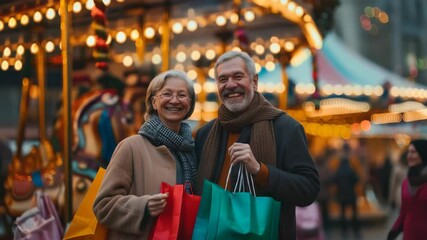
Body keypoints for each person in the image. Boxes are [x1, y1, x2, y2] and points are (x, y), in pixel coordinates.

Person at [194, 51, 320, 240]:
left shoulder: (285, 128)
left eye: (238, 76)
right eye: (222, 79)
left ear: (254, 81)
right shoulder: (205, 134)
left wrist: (260, 171)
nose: (230, 85)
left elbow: (308, 189)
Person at [93, 70, 197, 239]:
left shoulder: (190, 150)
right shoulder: (131, 147)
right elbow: (103, 206)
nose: (174, 100)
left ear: (189, 104)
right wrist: (143, 206)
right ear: (154, 102)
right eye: (167, 94)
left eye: (182, 95)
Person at [387, 139, 427, 240]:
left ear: (423, 154)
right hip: (409, 234)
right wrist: (393, 231)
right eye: (409, 152)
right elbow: (404, 213)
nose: (409, 155)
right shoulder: (406, 183)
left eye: (413, 152)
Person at [332, 142, 360, 238]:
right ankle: (355, 229)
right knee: (354, 213)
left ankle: (344, 229)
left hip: (342, 195)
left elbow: (334, 180)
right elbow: (356, 179)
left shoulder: (339, 170)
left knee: (343, 213)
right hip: (351, 194)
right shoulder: (351, 169)